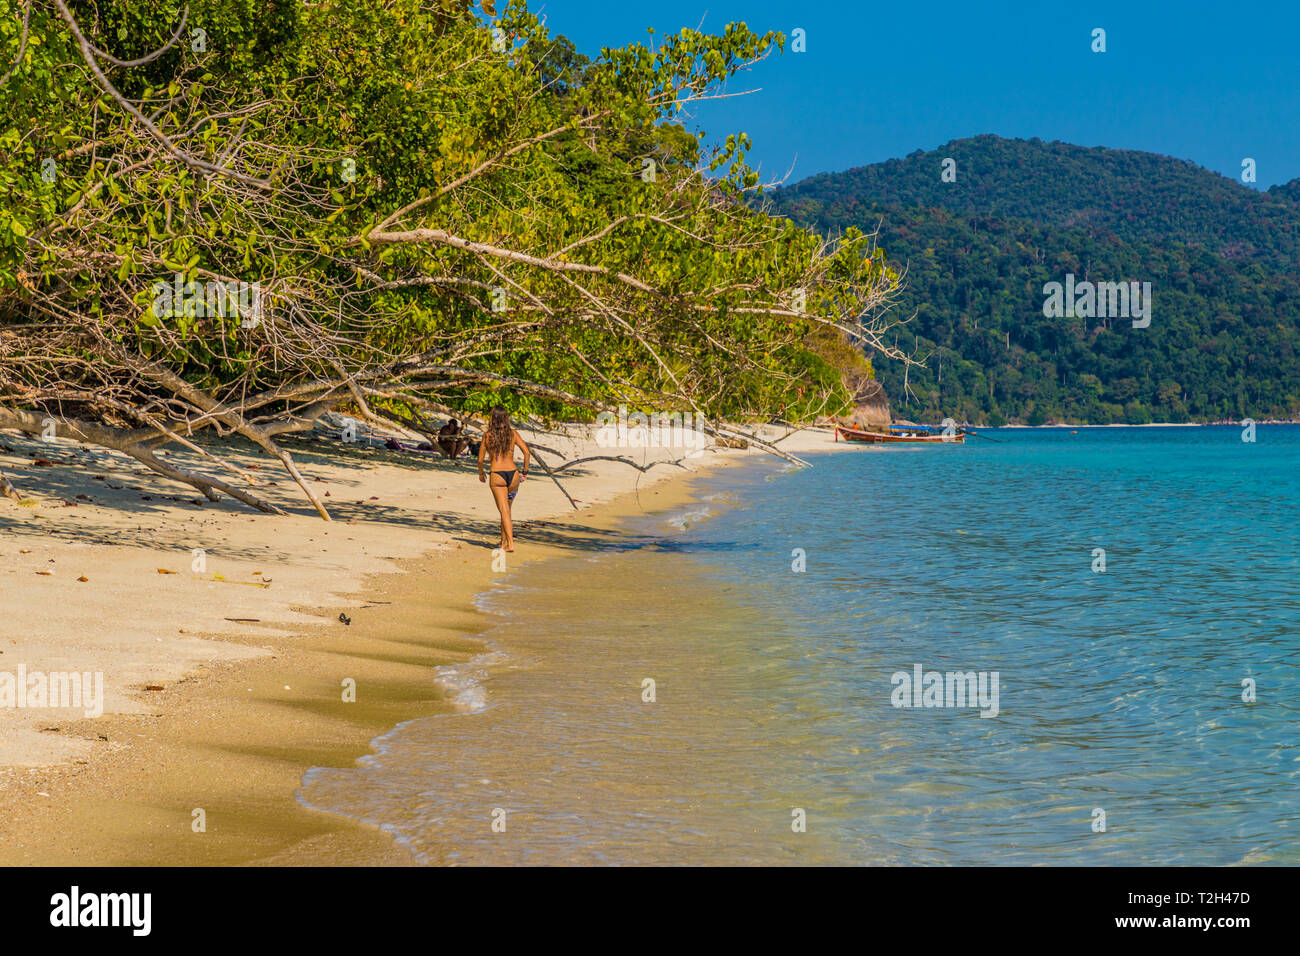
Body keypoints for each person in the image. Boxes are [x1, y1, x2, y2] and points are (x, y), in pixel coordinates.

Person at [477, 406, 530, 551]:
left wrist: (481, 473)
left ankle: (510, 544)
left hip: (497, 475)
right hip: (513, 475)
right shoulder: (513, 433)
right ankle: (503, 543)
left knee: (504, 511)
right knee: (506, 510)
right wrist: (524, 472)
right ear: (506, 418)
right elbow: (526, 452)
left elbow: (480, 459)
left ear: (492, 418)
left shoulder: (487, 435)